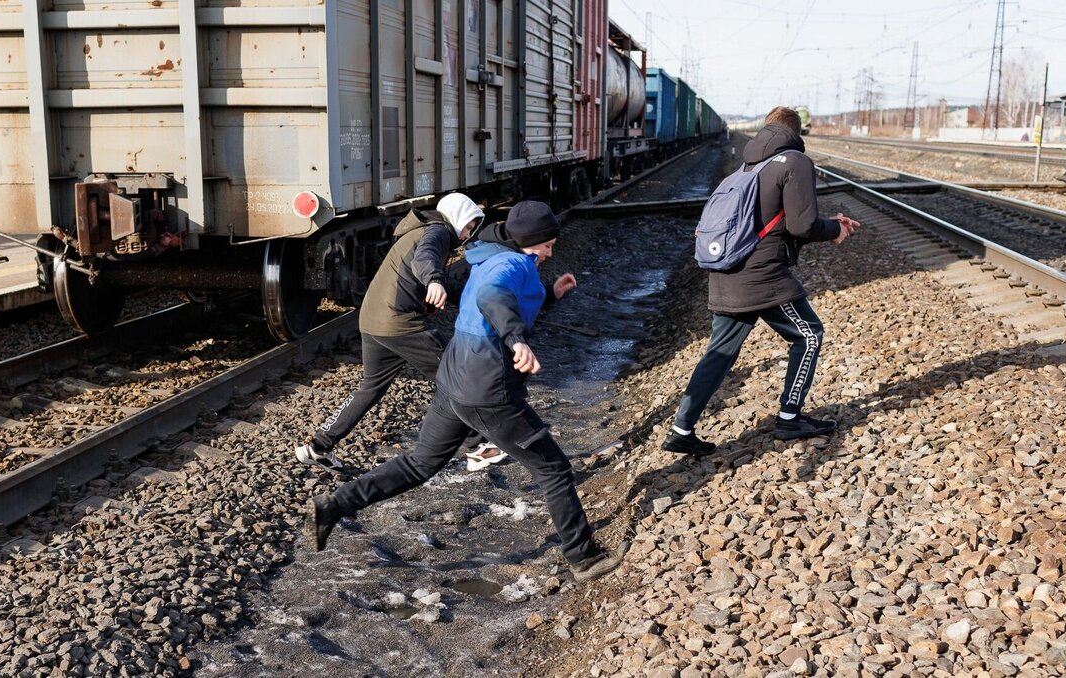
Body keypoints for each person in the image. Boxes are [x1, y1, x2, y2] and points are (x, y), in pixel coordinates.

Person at [305, 201, 625, 582]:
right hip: (488, 389)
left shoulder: (489, 256)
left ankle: (335, 505)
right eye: (547, 246)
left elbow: (498, 303)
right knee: (554, 469)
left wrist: (551, 296)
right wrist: (516, 340)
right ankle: (584, 557)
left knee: (419, 464)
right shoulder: (513, 265)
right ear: (529, 242)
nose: (549, 253)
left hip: (453, 382)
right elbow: (493, 299)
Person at [662, 106, 862, 455]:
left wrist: (822, 224)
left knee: (719, 351)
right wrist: (835, 229)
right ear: (796, 134)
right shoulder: (796, 162)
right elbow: (803, 225)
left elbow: (774, 219)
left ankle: (681, 429)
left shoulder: (745, 167)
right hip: (762, 277)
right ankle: (789, 416)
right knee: (809, 335)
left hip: (725, 270)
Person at [294, 192, 506, 471]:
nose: (469, 233)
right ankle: (479, 445)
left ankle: (318, 446)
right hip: (399, 323)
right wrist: (433, 281)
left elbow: (437, 276)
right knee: (456, 373)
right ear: (457, 218)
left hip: (372, 320)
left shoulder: (419, 231)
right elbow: (425, 258)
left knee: (369, 388)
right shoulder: (437, 232)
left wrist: (475, 300)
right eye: (469, 225)